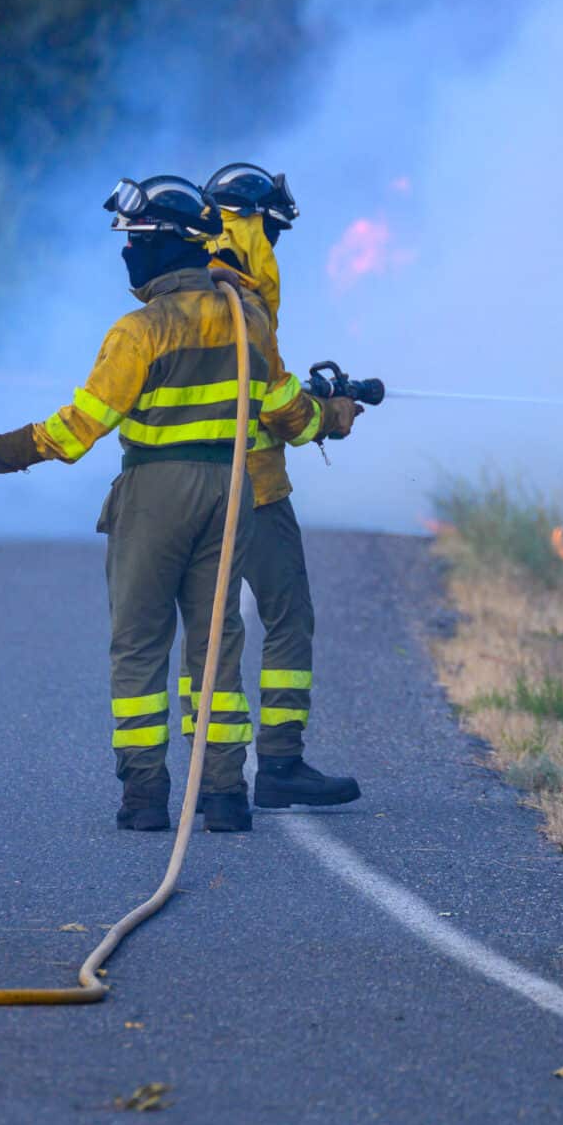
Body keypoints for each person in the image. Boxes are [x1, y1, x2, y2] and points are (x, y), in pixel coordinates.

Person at [0, 174, 360, 832]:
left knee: (139, 643)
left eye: (134, 238)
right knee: (216, 643)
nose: (127, 252)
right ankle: (223, 795)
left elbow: (82, 425)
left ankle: (144, 797)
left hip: (154, 494)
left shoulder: (139, 332)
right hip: (231, 494)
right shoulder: (247, 316)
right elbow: (284, 410)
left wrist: (0, 452)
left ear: (163, 245)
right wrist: (331, 416)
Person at [194, 162, 363, 809]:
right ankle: (281, 762)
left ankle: (207, 782)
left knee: (207, 631)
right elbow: (274, 399)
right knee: (287, 617)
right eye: (274, 230)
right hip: (255, 489)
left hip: (187, 485)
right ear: (257, 222)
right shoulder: (245, 286)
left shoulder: (189, 278)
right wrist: (330, 416)